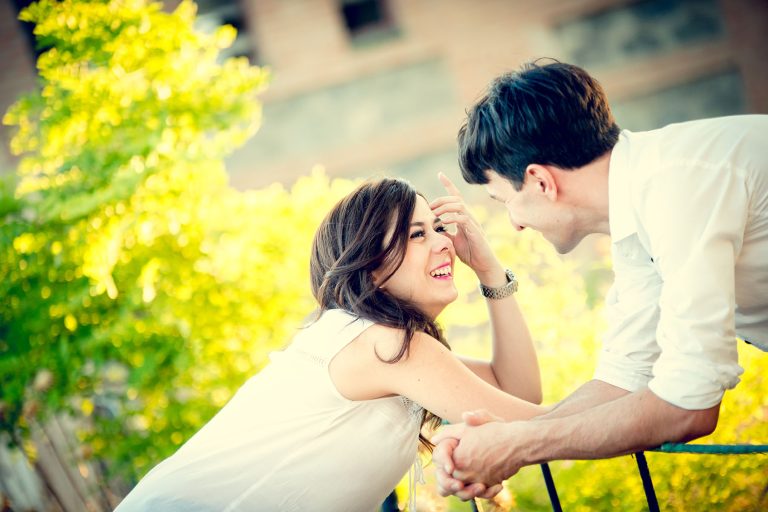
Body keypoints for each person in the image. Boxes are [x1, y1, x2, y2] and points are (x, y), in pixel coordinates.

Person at [432, 60, 768, 500]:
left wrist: (517, 445)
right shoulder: (637, 205)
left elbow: (690, 406)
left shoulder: (679, 187)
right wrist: (507, 436)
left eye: (504, 201)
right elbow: (623, 378)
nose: (513, 224)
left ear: (539, 181)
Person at [114, 176, 547, 511]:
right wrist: (614, 413)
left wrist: (489, 270)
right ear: (371, 266)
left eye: (439, 228)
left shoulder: (379, 342)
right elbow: (533, 422)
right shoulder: (380, 343)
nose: (444, 243)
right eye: (417, 235)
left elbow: (516, 393)